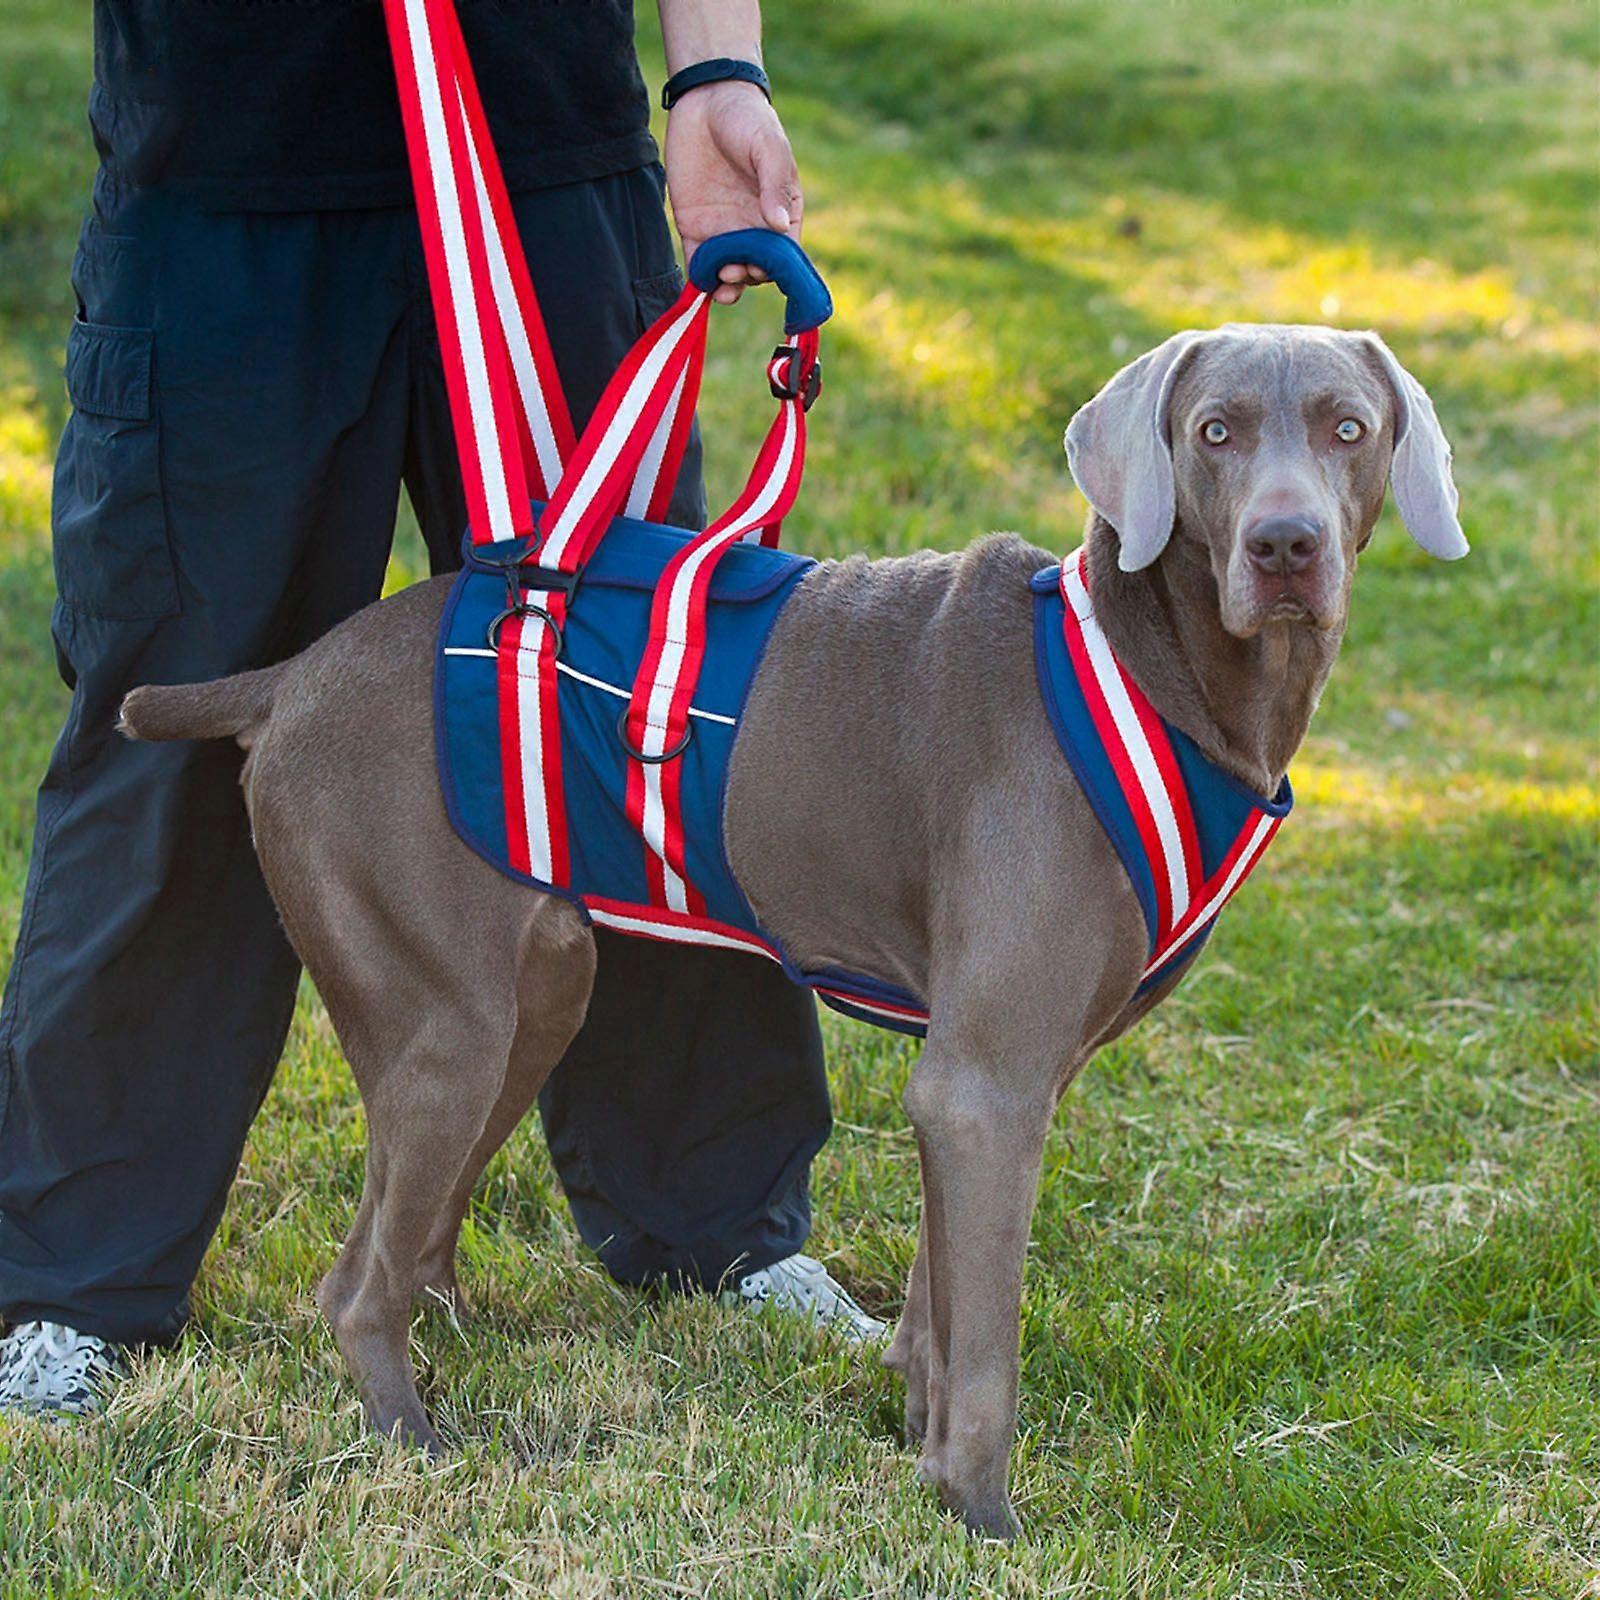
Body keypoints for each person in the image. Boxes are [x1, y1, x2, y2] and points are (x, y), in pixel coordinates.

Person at [0, 0, 880, 1419]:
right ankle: (71, 1276)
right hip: (228, 170)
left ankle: (720, 1221)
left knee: (629, 703)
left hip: (547, 153)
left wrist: (716, 68)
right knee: (178, 711)